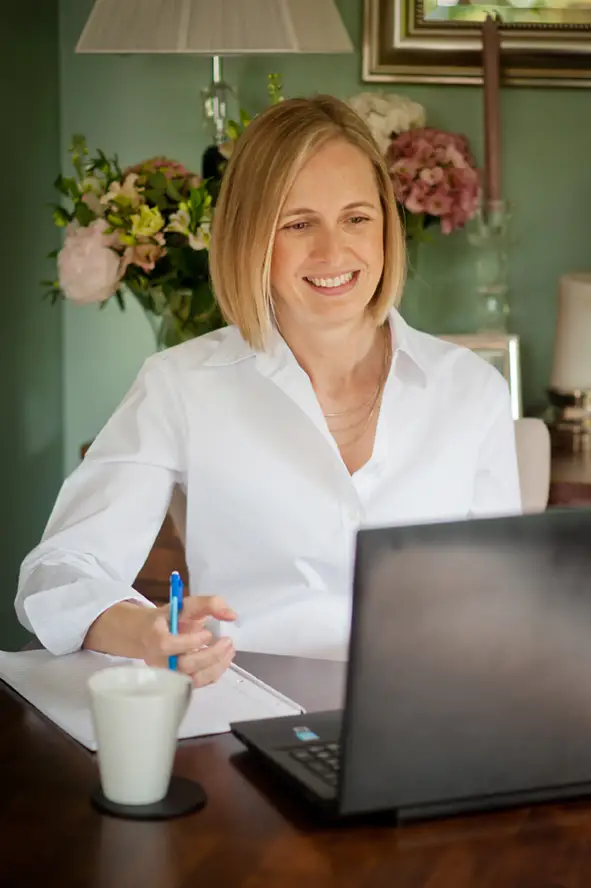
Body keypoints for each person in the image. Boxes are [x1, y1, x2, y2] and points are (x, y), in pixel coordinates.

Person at [15, 95, 521, 686]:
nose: (334, 252)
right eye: (299, 224)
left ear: (387, 225)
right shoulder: (181, 384)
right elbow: (58, 572)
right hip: (244, 718)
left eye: (357, 218)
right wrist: (142, 629)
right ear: (252, 236)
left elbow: (503, 604)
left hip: (427, 716)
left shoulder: (473, 392)